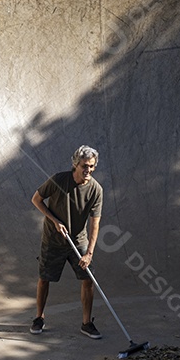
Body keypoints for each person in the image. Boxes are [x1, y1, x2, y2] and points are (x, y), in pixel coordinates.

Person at [30, 145, 103, 338]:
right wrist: (54, 221)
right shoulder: (59, 180)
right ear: (75, 165)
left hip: (78, 242)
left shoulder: (96, 190)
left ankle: (86, 323)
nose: (88, 171)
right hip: (53, 240)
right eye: (85, 166)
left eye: (92, 167)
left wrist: (89, 253)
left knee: (88, 279)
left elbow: (95, 224)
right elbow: (36, 200)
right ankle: (39, 318)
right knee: (45, 278)